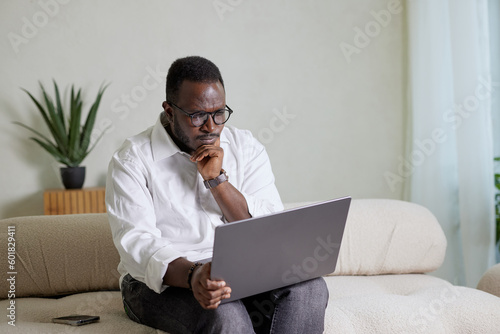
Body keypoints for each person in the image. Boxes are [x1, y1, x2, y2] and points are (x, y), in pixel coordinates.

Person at [105, 56, 328, 334]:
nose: (211, 127)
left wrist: (217, 180)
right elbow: (138, 244)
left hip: (239, 273)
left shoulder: (246, 147)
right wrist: (194, 274)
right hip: (158, 284)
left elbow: (268, 229)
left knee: (310, 289)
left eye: (219, 113)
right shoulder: (132, 160)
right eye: (197, 116)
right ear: (170, 110)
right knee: (226, 313)